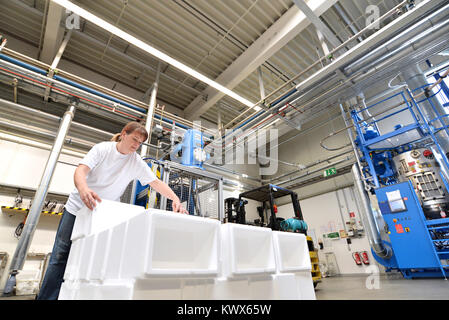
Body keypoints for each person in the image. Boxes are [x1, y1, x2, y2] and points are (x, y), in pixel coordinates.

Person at [37, 121, 187, 300]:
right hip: (77, 208)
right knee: (61, 256)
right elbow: (80, 171)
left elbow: (156, 183)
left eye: (140, 143)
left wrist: (175, 199)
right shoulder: (103, 149)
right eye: (134, 139)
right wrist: (84, 189)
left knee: (93, 258)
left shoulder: (135, 162)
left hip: (103, 215)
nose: (136, 145)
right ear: (124, 134)